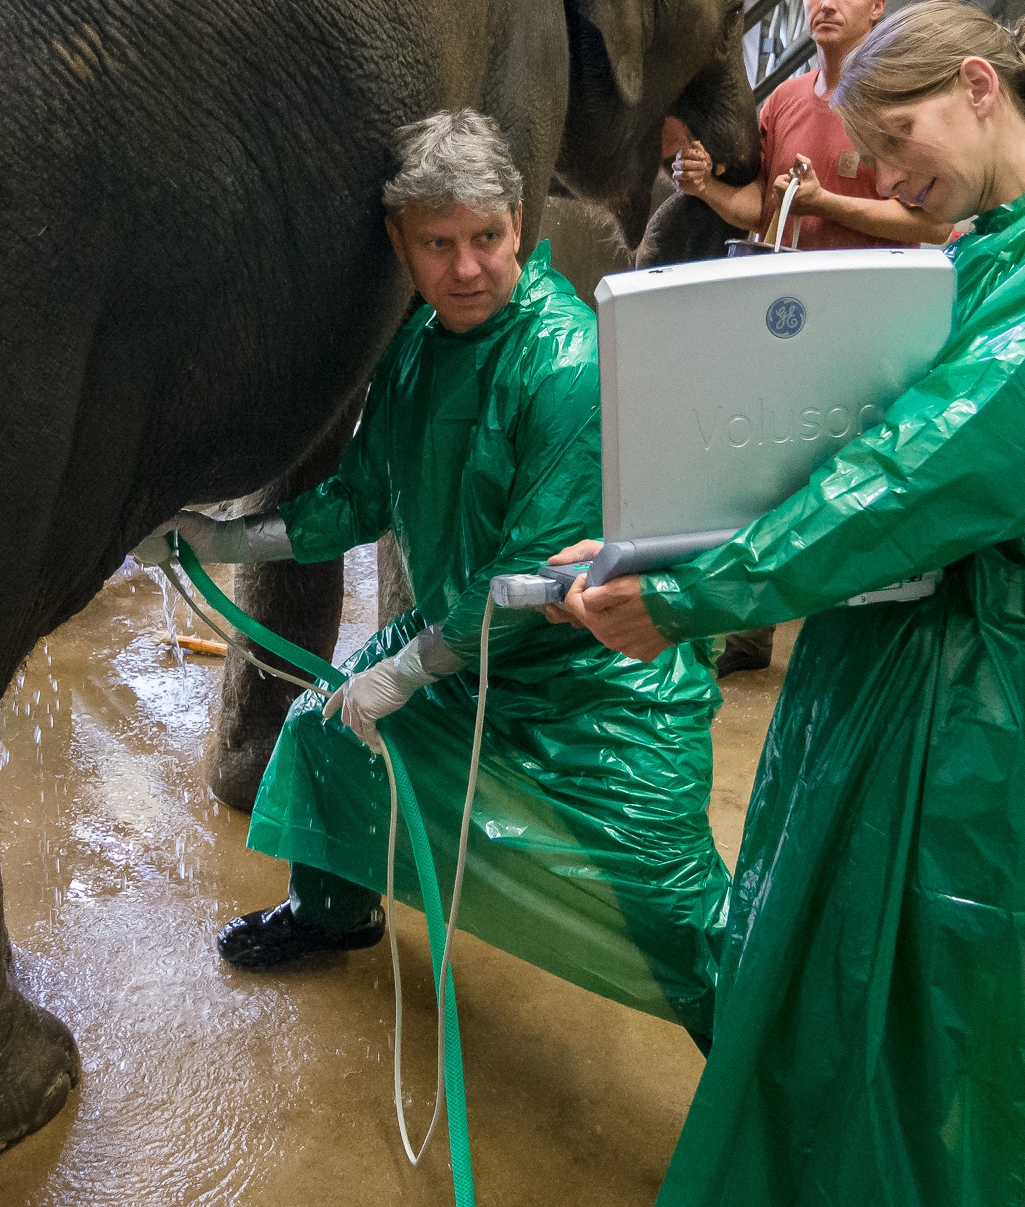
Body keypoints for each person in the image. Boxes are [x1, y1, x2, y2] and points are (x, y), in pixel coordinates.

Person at [551, 2, 1025, 1204]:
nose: (886, 173)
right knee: (824, 979)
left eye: (897, 135)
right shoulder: (988, 257)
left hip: (992, 715)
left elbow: (923, 475)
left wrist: (705, 587)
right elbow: (829, 445)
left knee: (936, 1020)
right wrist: (662, 535)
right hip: (895, 676)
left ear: (977, 85)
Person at [152, 110, 728, 1041]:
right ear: (401, 245)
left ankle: (770, 1078)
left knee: (673, 906)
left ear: (522, 224)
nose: (466, 269)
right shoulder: (419, 348)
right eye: (438, 244)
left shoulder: (567, 363)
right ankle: (334, 913)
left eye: (487, 238)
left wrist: (408, 667)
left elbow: (524, 576)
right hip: (462, 659)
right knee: (323, 735)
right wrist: (223, 539)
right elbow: (360, 494)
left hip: (589, 681)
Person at [674, 0, 951, 678]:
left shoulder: (898, 109)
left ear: (879, 6)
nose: (826, 4)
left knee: (853, 474)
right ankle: (747, 632)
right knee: (759, 467)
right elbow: (757, 206)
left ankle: (853, 632)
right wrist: (704, 186)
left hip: (865, 328)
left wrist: (831, 201)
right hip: (781, 320)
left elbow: (932, 223)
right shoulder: (787, 100)